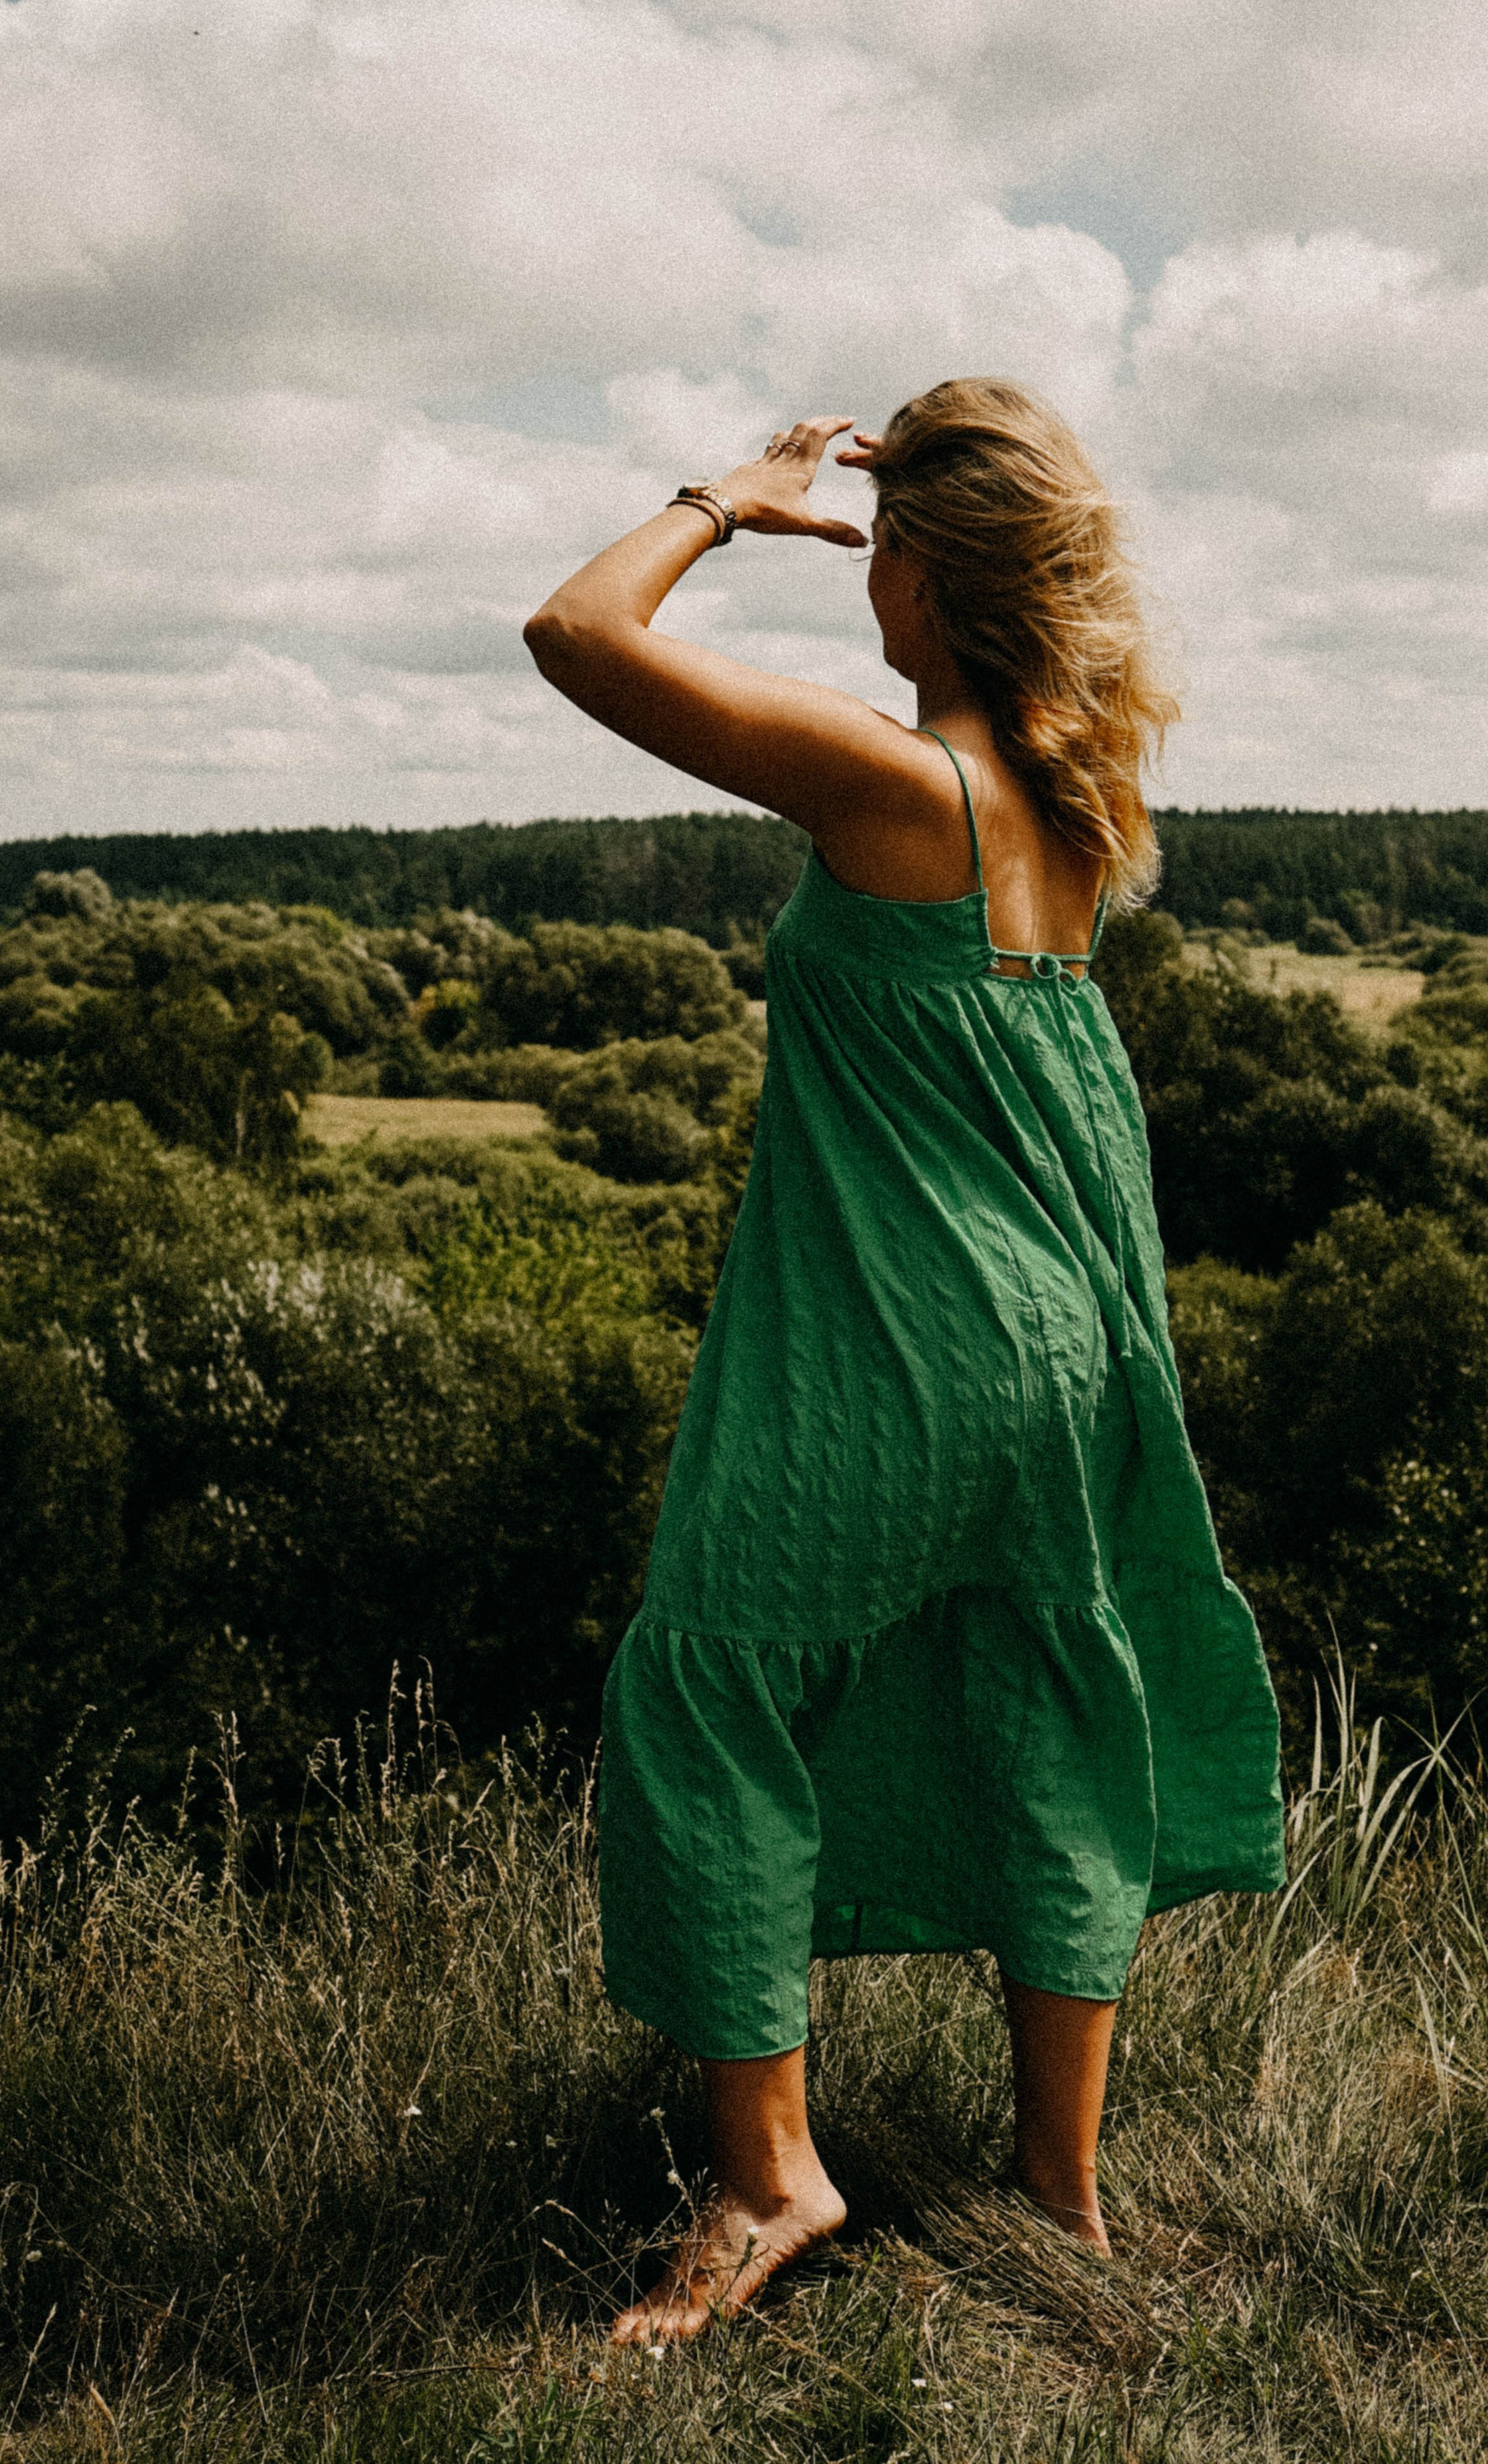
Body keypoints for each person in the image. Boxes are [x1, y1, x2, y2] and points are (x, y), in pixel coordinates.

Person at [523, 380, 1284, 2345]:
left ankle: (775, 2181)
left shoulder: (907, 789)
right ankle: (1064, 2201)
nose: (861, 578)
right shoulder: (1081, 809)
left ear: (930, 581)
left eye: (882, 551)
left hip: (896, 1338)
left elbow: (575, 637)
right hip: (1058, 1344)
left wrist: (728, 497)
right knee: (1044, 1705)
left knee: (713, 1689)